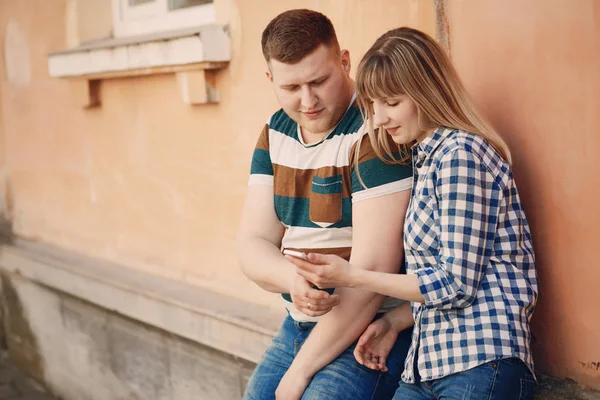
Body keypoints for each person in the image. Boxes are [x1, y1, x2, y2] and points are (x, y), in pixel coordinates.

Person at [288, 27, 538, 400]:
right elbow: (446, 277)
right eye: (373, 106)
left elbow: (454, 284)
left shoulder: (460, 156)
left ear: (426, 91)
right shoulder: (425, 158)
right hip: (427, 365)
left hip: (480, 361)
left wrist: (354, 276)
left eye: (391, 102)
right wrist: (393, 321)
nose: (378, 119)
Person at [237, 9, 417, 400]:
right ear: (270, 80)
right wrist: (293, 281)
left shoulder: (376, 131)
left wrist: (299, 373)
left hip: (374, 324)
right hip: (298, 322)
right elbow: (252, 244)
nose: (307, 101)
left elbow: (372, 273)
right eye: (290, 88)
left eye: (319, 81)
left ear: (345, 61)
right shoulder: (275, 132)